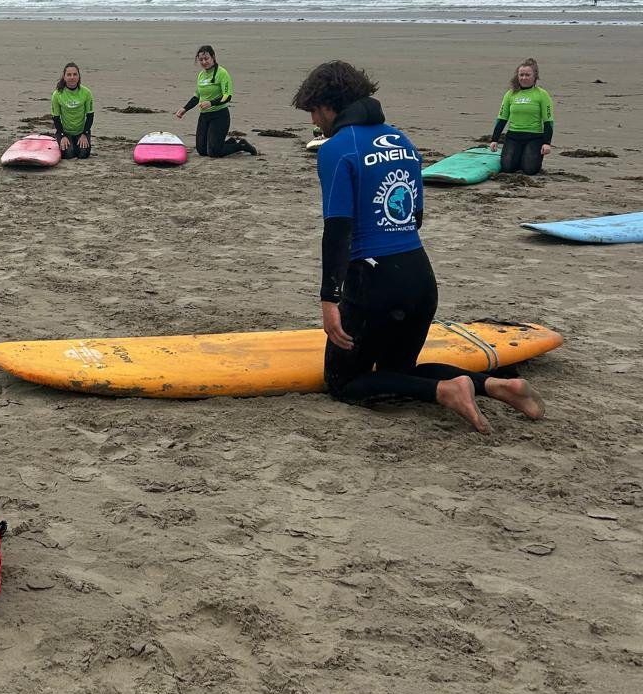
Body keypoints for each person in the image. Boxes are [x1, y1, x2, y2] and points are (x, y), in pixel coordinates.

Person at [292, 59, 544, 434]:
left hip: (374, 284)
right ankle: (496, 384)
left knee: (344, 383)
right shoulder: (402, 140)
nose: (314, 120)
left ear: (331, 105)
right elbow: (416, 216)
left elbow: (338, 231)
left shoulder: (337, 149)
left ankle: (447, 390)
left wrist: (330, 302)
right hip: (420, 278)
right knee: (401, 372)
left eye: (314, 110)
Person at [175, 45, 257, 157]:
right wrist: (184, 109)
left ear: (213, 57)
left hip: (219, 116)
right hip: (204, 116)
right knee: (202, 151)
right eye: (201, 60)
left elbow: (227, 96)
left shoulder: (222, 73)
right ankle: (230, 142)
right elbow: (197, 96)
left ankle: (242, 145)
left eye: (206, 58)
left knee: (214, 152)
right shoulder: (201, 75)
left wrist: (211, 103)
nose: (204, 62)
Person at [488, 58, 554, 175]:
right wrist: (494, 139)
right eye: (521, 75)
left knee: (530, 170)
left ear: (534, 76)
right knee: (507, 168)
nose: (524, 78)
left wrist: (547, 143)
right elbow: (502, 118)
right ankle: (518, 155)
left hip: (534, 137)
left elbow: (548, 121)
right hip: (513, 136)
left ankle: (527, 156)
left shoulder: (542, 94)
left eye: (527, 75)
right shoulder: (510, 94)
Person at [50, 63, 94, 159]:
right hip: (65, 132)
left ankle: (76, 142)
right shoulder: (57, 94)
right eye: (69, 75)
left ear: (79, 76)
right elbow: (56, 117)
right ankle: (60, 139)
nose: (72, 77)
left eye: (75, 74)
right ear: (64, 77)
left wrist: (85, 134)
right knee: (68, 154)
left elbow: (90, 116)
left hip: (81, 131)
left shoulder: (86, 93)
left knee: (84, 154)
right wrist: (62, 135)